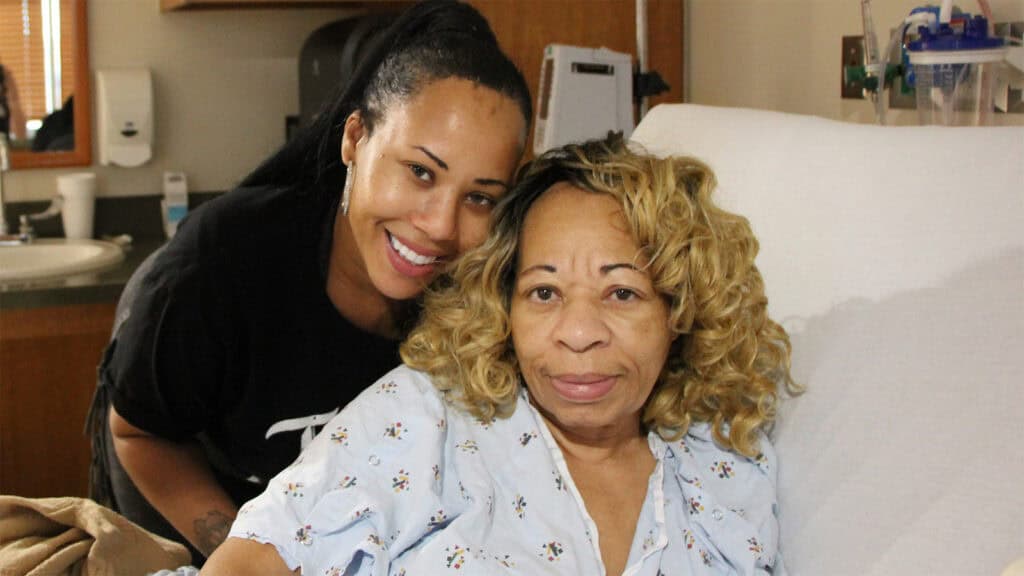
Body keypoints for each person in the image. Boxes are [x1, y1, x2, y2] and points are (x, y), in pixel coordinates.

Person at [201, 136, 800, 575]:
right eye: (544, 292)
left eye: (622, 293)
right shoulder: (429, 420)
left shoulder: (722, 463)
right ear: (502, 307)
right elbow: (248, 564)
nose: (579, 333)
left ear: (679, 309)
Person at [88, 0, 532, 564]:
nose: (441, 228)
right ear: (355, 139)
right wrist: (245, 552)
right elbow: (139, 433)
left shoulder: (489, 295)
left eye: (479, 198)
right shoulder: (222, 265)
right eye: (420, 172)